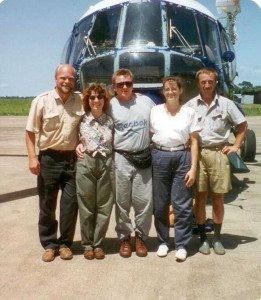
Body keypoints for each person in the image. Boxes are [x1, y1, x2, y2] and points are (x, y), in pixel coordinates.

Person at [185, 67, 248, 255]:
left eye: (210, 82)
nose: (206, 85)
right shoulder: (189, 106)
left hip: (219, 153)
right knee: (200, 198)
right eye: (203, 82)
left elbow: (242, 125)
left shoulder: (227, 104)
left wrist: (236, 146)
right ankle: (203, 238)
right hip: (198, 154)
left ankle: (217, 238)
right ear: (198, 83)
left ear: (215, 83)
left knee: (219, 198)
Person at [25, 64, 83, 262]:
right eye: (63, 78)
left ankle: (65, 244)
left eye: (71, 78)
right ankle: (50, 244)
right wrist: (32, 157)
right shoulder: (42, 101)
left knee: (70, 204)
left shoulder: (80, 100)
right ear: (56, 78)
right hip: (48, 159)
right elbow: (30, 131)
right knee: (47, 204)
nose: (67, 81)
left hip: (71, 160)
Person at [150, 76, 200, 261]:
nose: (170, 92)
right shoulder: (154, 111)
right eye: (167, 89)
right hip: (160, 156)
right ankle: (163, 241)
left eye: (174, 89)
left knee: (182, 205)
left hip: (182, 156)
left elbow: (194, 142)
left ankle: (181, 244)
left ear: (180, 91)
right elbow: (149, 135)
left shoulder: (189, 113)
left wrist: (193, 168)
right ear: (163, 92)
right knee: (160, 203)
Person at [109, 68, 154, 258]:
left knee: (144, 201)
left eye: (128, 83)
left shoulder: (146, 101)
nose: (125, 87)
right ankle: (124, 238)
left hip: (143, 157)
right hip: (120, 158)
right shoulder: (109, 105)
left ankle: (141, 237)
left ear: (133, 84)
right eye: (120, 84)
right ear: (114, 87)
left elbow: (161, 119)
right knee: (122, 202)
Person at [76, 84, 114, 260]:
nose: (96, 100)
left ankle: (98, 244)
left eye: (100, 97)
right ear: (87, 100)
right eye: (92, 97)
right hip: (86, 162)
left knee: (104, 205)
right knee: (86, 206)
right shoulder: (81, 120)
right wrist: (76, 146)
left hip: (106, 162)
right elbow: (71, 139)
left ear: (104, 100)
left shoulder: (111, 121)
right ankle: (87, 244)